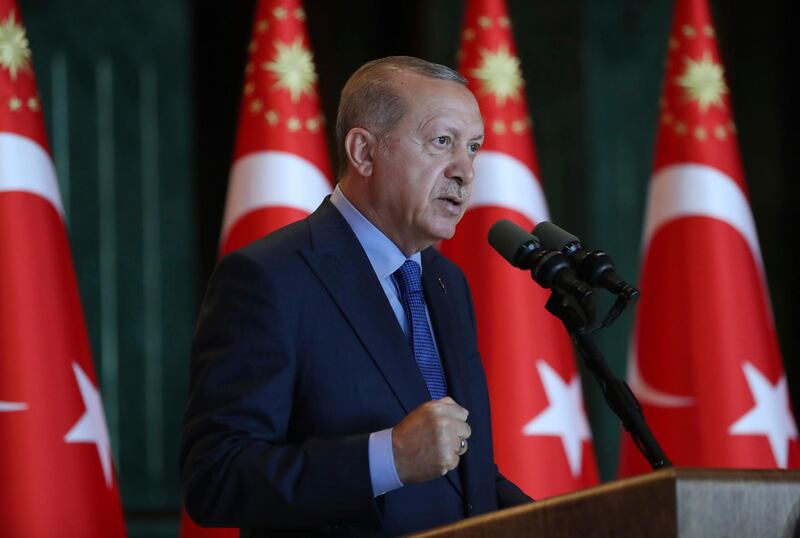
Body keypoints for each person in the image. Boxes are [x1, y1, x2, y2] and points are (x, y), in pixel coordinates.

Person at [181, 56, 532, 537]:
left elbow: (463, 476)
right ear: (364, 151)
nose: (466, 171)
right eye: (442, 142)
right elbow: (216, 477)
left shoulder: (447, 283)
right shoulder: (270, 277)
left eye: (473, 148)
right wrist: (387, 458)